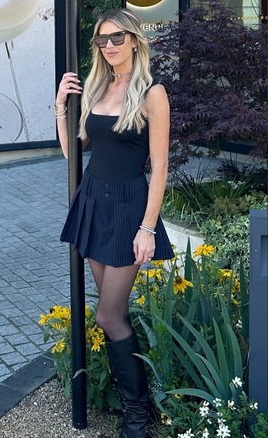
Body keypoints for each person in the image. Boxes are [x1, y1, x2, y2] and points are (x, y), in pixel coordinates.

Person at [57, 8, 173, 438]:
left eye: (116, 38)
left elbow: (158, 166)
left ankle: (138, 418)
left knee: (107, 315)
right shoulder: (98, 86)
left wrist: (147, 227)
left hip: (128, 208)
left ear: (135, 40)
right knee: (114, 313)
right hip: (92, 204)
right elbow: (75, 156)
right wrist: (59, 111)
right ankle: (135, 409)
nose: (109, 46)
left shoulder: (152, 93)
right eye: (102, 40)